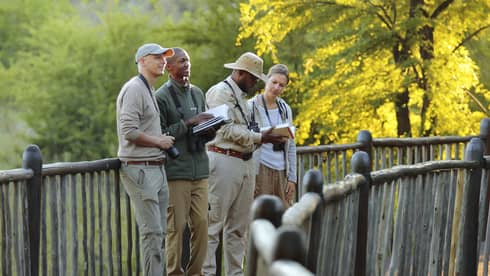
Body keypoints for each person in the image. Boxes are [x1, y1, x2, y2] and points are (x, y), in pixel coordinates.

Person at [203, 52, 286, 276]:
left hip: (245, 163)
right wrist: (261, 137)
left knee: (239, 229)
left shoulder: (243, 97)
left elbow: (252, 127)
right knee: (213, 225)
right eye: (253, 78)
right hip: (223, 161)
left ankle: (235, 273)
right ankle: (208, 273)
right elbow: (225, 129)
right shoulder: (220, 92)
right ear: (240, 73)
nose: (256, 83)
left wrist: (266, 135)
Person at [116, 43, 175, 276]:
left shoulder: (148, 88)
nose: (163, 61)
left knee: (159, 234)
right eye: (156, 57)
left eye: (164, 57)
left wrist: (158, 141)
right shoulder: (134, 89)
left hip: (155, 168)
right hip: (140, 169)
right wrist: (158, 142)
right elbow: (128, 131)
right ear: (141, 61)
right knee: (152, 234)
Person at [155, 47, 214, 276]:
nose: (187, 65)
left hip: (200, 170)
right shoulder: (161, 97)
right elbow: (161, 134)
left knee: (201, 224)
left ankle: (195, 273)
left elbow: (202, 126)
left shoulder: (198, 93)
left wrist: (211, 130)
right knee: (176, 229)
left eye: (188, 61)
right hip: (177, 172)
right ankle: (174, 273)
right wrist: (190, 123)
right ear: (169, 68)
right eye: (181, 61)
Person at [248, 64, 297, 208]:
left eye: (281, 85)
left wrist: (292, 178)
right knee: (259, 215)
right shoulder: (250, 106)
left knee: (284, 216)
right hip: (260, 169)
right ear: (266, 80)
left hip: (282, 170)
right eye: (274, 82)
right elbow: (244, 138)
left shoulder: (285, 109)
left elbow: (292, 144)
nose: (277, 88)